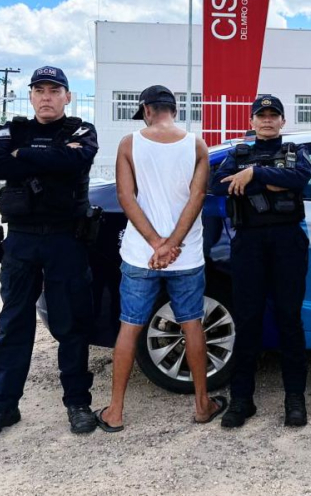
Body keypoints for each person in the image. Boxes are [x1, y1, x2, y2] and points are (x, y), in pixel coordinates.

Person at [0, 66, 99, 440]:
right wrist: (47, 153)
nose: (46, 96)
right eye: (39, 90)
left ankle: (77, 403)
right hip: (21, 240)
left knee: (71, 325)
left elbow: (75, 161)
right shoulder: (14, 127)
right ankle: (2, 407)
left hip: (66, 240)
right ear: (30, 96)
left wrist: (21, 154)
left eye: (54, 90)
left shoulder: (80, 130)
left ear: (67, 97)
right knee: (13, 324)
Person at [95, 85, 226, 432]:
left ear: (147, 110)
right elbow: (197, 198)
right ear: (173, 110)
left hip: (141, 255)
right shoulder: (197, 145)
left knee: (129, 327)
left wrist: (155, 243)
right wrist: (173, 245)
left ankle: (116, 412)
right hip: (186, 256)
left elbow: (126, 196)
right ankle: (202, 405)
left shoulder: (130, 143)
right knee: (192, 324)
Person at [211, 95, 311, 428]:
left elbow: (299, 178)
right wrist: (268, 180)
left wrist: (253, 173)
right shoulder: (236, 154)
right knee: (248, 321)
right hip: (249, 244)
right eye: (262, 115)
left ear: (283, 122)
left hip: (287, 241)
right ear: (252, 121)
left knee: (289, 320)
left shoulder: (296, 152)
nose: (267, 120)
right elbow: (218, 185)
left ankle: (294, 400)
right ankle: (242, 400)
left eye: (274, 115)